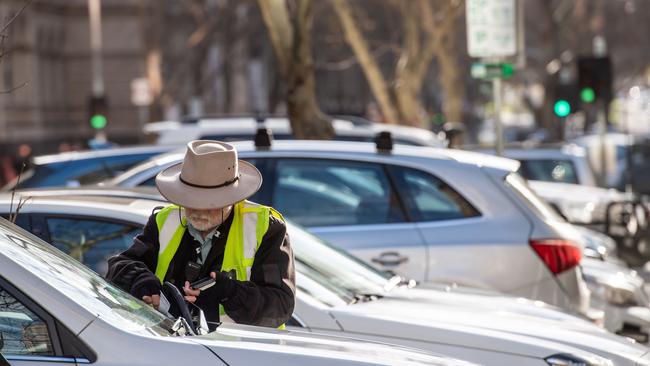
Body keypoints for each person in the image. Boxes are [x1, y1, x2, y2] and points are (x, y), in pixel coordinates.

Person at [106, 140, 295, 328]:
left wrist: (229, 292)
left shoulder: (265, 227)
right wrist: (143, 283)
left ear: (232, 199)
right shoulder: (164, 220)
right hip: (171, 347)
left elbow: (280, 307)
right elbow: (121, 265)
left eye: (209, 203)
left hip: (240, 353)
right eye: (190, 199)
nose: (198, 210)